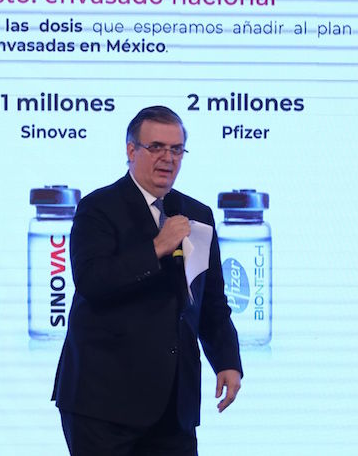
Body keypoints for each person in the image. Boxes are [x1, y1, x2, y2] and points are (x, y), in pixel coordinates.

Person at [52, 105, 242, 455]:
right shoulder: (98, 208)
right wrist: (156, 247)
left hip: (174, 405)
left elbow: (211, 301)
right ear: (131, 150)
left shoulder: (197, 214)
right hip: (103, 405)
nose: (167, 158)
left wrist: (227, 360)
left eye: (176, 149)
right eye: (156, 147)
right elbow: (93, 282)